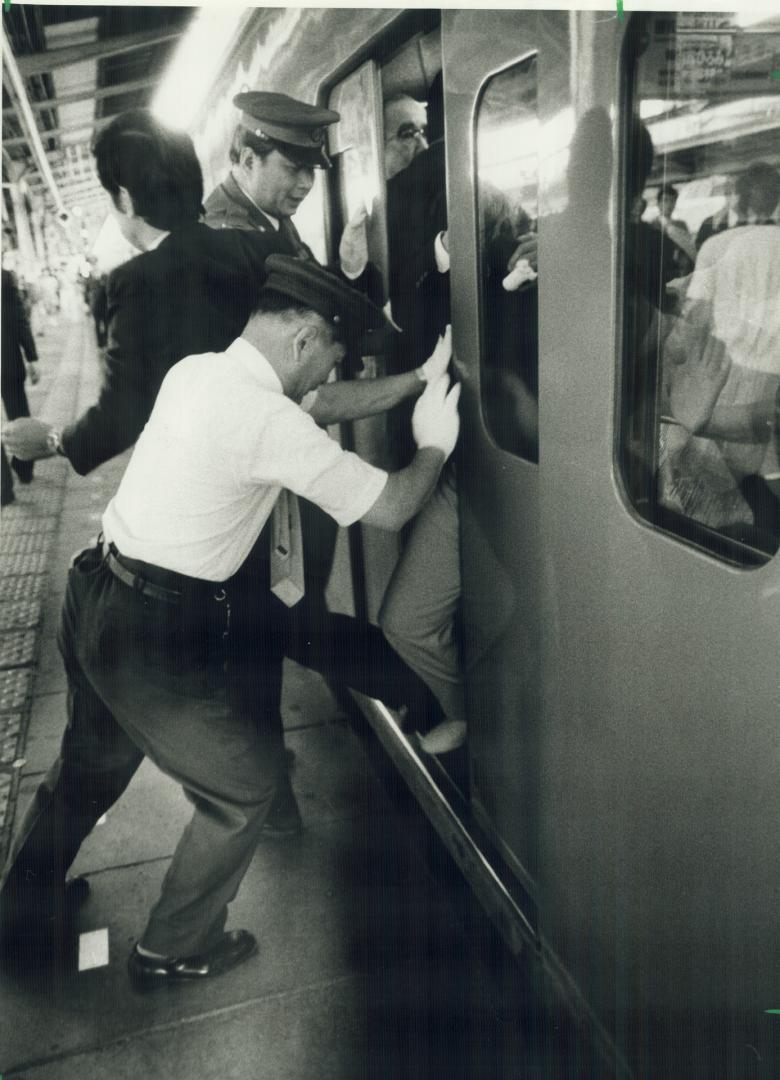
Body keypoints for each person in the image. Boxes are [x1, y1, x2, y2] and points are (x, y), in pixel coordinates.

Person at [0, 255, 461, 988]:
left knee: (87, 767)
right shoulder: (266, 418)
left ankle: (17, 909)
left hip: (93, 592)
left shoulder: (203, 372)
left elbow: (318, 406)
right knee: (243, 787)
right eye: (330, 361)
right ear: (307, 339)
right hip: (151, 631)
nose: (326, 379)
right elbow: (396, 505)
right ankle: (170, 950)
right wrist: (434, 439)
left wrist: (412, 382)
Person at [1, 269, 40, 506]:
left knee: (18, 416)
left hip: (8, 363)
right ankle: (24, 467)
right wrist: (32, 356)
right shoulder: (4, 278)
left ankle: (4, 489)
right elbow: (19, 318)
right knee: (19, 416)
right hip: (8, 362)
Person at [652, 183, 696, 278]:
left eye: (672, 201)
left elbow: (690, 247)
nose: (669, 204)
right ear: (658, 203)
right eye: (665, 200)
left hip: (681, 271)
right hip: (660, 271)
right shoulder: (652, 226)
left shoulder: (681, 225)